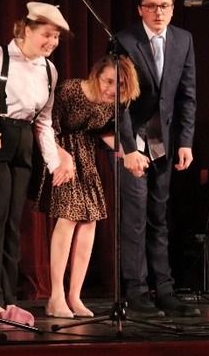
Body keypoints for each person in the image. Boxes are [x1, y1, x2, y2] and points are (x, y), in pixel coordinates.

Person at [0, 2, 72, 324]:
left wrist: (53, 161)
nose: (51, 42)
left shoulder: (48, 70)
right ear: (26, 30)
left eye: (56, 37)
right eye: (46, 34)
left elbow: (44, 121)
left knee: (13, 223)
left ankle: (8, 298)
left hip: (23, 142)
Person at [114, 0, 199, 318]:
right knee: (135, 218)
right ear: (140, 9)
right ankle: (136, 290)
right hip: (132, 140)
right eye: (151, 6)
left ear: (173, 9)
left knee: (159, 217)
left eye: (164, 6)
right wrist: (127, 148)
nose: (158, 12)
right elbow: (118, 103)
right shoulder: (123, 41)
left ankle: (164, 290)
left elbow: (187, 96)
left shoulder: (183, 39)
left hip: (163, 141)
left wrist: (186, 142)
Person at [34, 55, 140, 318]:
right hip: (59, 154)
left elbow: (104, 132)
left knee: (89, 221)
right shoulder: (70, 89)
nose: (112, 89)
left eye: (120, 85)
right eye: (108, 81)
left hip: (86, 158)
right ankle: (56, 296)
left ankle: (74, 296)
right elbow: (45, 126)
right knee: (69, 217)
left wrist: (129, 154)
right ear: (96, 75)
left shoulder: (114, 104)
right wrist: (60, 156)